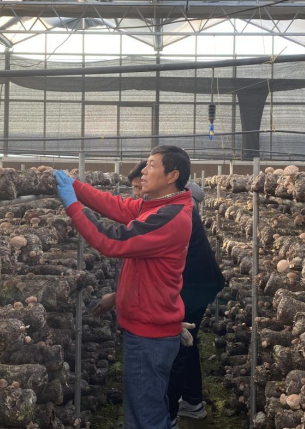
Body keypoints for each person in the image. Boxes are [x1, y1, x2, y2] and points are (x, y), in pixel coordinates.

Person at [54, 146, 193, 429]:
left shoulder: (170, 217)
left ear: (172, 176)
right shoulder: (157, 207)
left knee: (146, 417)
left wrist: (73, 206)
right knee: (147, 408)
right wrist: (76, 187)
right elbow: (116, 206)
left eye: (151, 165)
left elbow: (113, 240)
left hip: (150, 334)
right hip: (148, 328)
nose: (143, 171)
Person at [95, 161, 225, 428]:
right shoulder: (167, 205)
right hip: (194, 282)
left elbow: (134, 254)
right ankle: (193, 402)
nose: (136, 194)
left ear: (165, 179)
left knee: (175, 349)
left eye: (138, 186)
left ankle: (170, 415)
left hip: (192, 285)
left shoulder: (170, 212)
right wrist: (120, 294)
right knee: (187, 343)